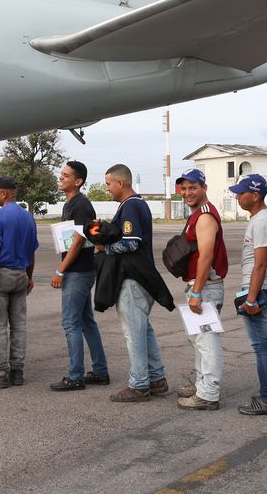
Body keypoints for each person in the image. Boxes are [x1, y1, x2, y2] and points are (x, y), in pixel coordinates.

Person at [94, 164, 172, 403]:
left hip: (132, 279)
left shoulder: (130, 206)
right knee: (142, 329)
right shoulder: (134, 205)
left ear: (121, 183)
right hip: (140, 277)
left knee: (134, 333)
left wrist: (104, 247)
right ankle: (156, 378)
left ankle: (139, 385)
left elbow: (131, 242)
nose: (107, 188)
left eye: (109, 184)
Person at [49, 160, 110, 391]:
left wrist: (60, 270)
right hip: (80, 271)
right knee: (86, 322)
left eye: (66, 175)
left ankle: (75, 376)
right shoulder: (71, 203)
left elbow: (78, 241)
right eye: (61, 174)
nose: (61, 178)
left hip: (78, 272)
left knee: (71, 323)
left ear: (78, 181)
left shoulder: (81, 205)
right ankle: (100, 371)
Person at [229, 174, 267, 416]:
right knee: (266, 345)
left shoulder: (261, 222)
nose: (237, 197)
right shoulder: (264, 218)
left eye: (241, 193)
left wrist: (251, 299)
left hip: (260, 290)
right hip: (265, 288)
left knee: (261, 347)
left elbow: (260, 264)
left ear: (255, 196)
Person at [173, 168, 227, 410]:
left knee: (207, 342)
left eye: (193, 187)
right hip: (201, 286)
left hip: (205, 288)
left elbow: (206, 256)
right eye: (184, 188)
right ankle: (202, 385)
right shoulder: (197, 213)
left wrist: (196, 292)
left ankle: (208, 394)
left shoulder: (205, 216)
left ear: (204, 188)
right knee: (199, 341)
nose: (187, 193)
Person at [0, 176, 39, 388]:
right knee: (19, 325)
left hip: (2, 276)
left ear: (3, 193)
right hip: (21, 275)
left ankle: (0, 373)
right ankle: (17, 371)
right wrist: (29, 277)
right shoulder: (28, 217)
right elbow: (31, 252)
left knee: (0, 326)